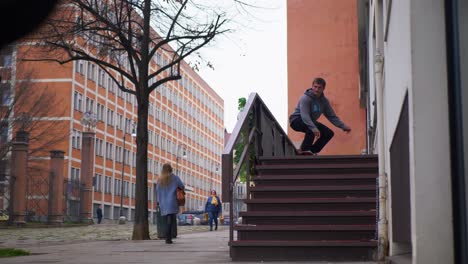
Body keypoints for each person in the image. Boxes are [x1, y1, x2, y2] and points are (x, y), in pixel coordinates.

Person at [289, 77, 351, 155]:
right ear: (312, 86)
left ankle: (312, 151)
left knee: (328, 133)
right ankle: (304, 150)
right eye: (315, 87)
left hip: (310, 122)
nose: (317, 89)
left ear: (323, 89)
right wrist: (314, 128)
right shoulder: (306, 98)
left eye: (319, 88)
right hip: (296, 120)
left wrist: (343, 126)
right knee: (311, 128)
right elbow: (305, 115)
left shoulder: (324, 102)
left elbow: (332, 116)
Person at [156, 163, 185, 244]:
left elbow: (157, 190)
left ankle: (167, 237)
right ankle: (168, 238)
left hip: (163, 202)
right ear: (171, 169)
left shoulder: (160, 179)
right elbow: (182, 186)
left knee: (166, 219)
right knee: (170, 220)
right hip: (172, 201)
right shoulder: (174, 178)